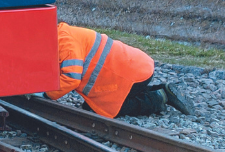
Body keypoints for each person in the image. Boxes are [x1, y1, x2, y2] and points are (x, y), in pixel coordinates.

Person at [46, 22, 195, 118]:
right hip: (136, 66)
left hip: (134, 74)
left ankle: (160, 97)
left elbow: (71, 79)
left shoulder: (65, 43)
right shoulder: (64, 34)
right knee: (90, 107)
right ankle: (157, 90)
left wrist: (47, 94)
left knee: (114, 110)